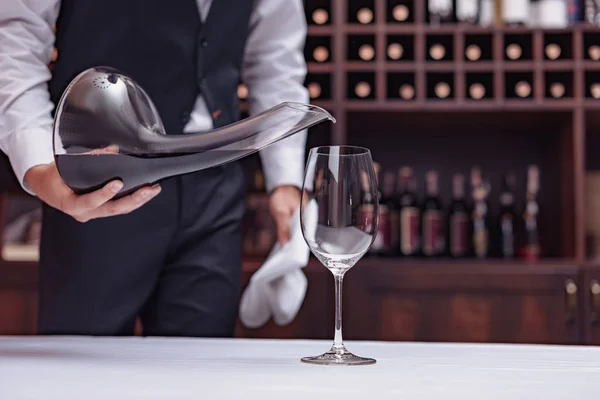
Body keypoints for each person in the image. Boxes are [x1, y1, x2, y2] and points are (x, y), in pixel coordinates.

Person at [0, 0, 309, 337]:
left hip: (214, 189)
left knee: (198, 370)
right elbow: (15, 44)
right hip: (103, 181)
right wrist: (41, 166)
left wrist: (286, 179)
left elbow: (276, 60)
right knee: (84, 371)